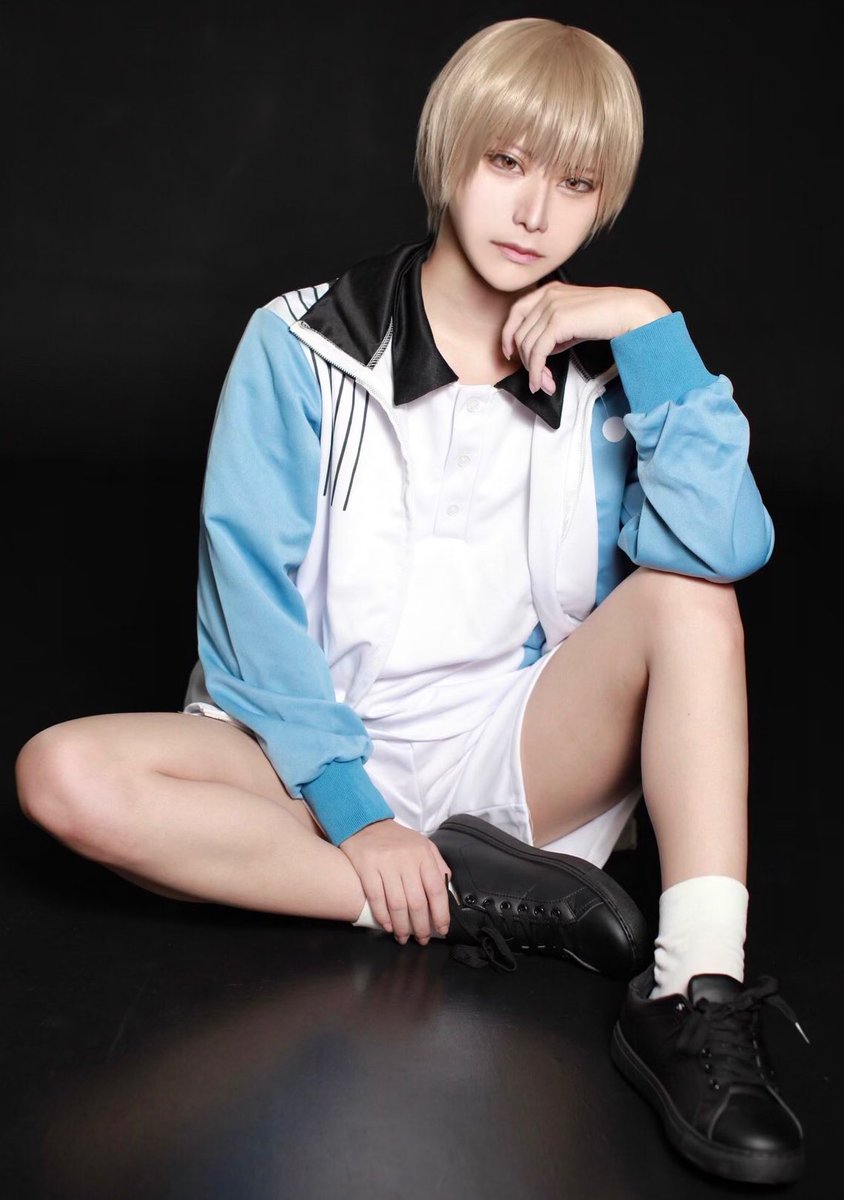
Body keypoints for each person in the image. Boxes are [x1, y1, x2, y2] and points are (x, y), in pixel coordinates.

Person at [14, 16, 807, 1186]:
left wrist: (650, 330)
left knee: (690, 604)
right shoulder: (300, 345)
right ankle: (459, 897)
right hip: (299, 752)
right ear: (449, 156)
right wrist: (355, 812)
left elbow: (718, 549)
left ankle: (694, 988)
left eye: (574, 184)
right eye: (507, 163)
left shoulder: (610, 371)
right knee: (62, 776)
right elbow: (246, 611)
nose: (533, 214)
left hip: (508, 753)